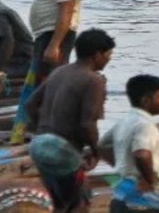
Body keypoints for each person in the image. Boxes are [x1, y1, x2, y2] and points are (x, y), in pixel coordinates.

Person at [27, 29, 115, 213]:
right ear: (97, 54)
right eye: (108, 54)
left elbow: (30, 105)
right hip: (61, 150)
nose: (109, 59)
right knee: (80, 204)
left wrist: (41, 132)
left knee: (61, 204)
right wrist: (96, 151)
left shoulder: (59, 71)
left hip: (39, 145)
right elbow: (87, 124)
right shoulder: (94, 80)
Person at [99, 75, 159, 213]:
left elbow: (102, 146)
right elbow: (141, 154)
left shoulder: (125, 121)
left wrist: (122, 164)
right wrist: (148, 181)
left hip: (122, 190)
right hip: (141, 197)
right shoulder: (145, 125)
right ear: (146, 100)